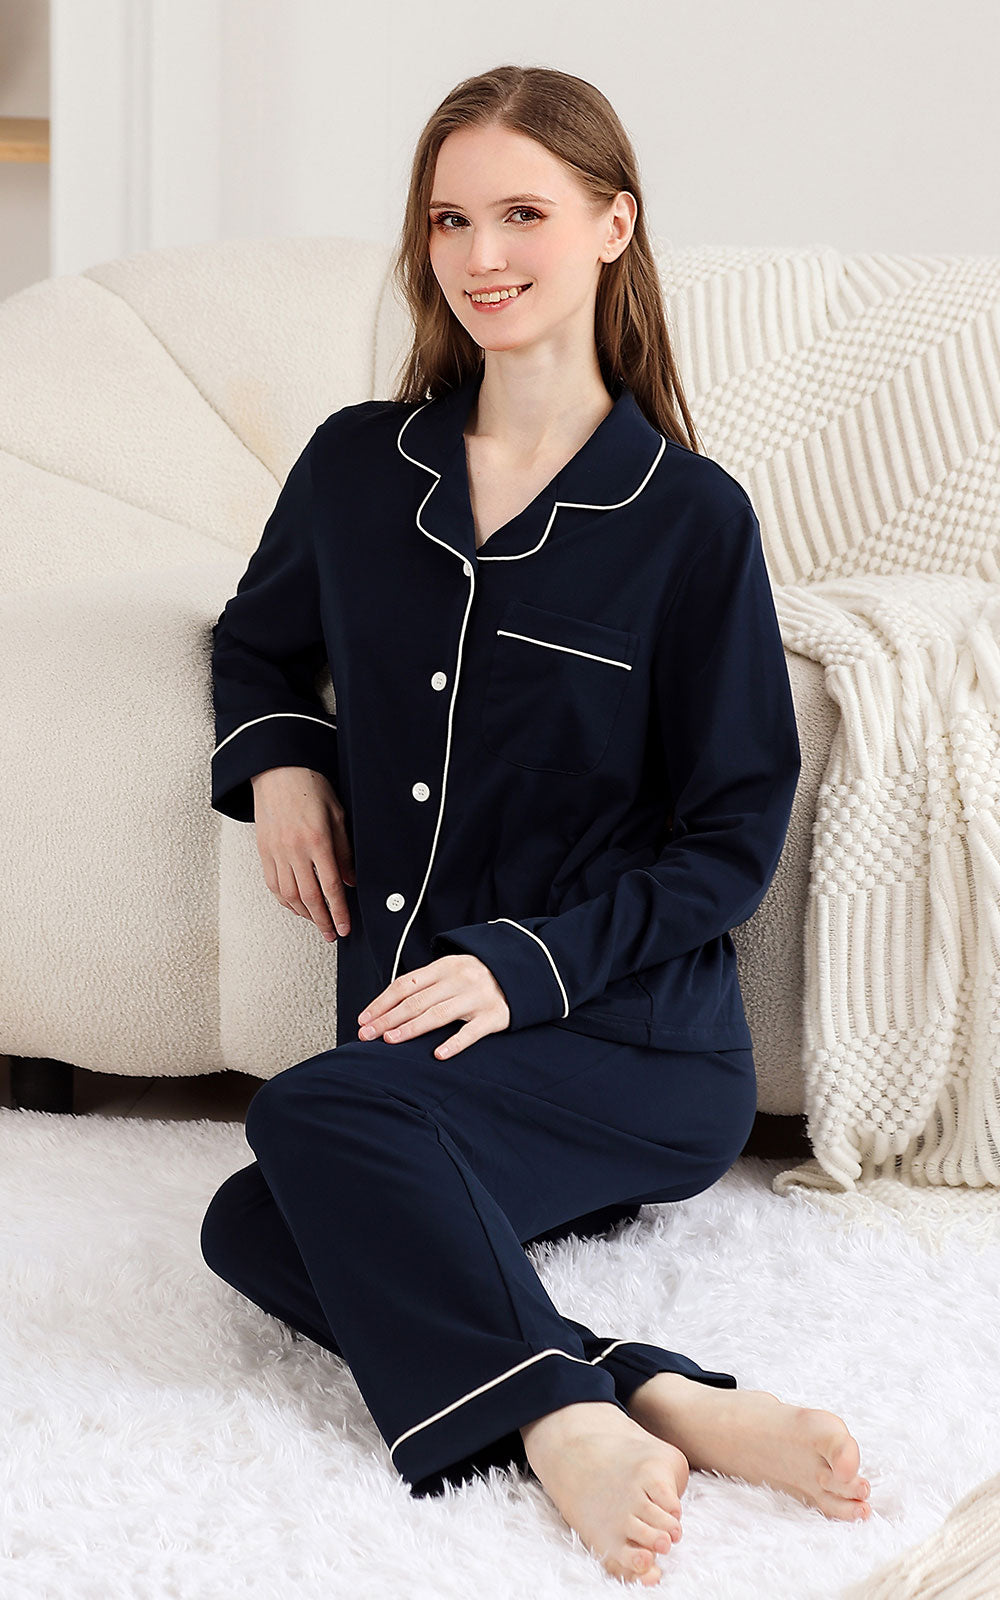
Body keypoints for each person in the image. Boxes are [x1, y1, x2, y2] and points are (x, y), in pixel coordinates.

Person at [199, 64, 871, 1587]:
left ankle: (559, 1427)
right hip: (417, 1054)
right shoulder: (358, 468)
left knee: (307, 1123)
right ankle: (639, 1390)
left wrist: (523, 966)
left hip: (633, 1048)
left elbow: (732, 836)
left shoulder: (689, 518)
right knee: (252, 1223)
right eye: (451, 220)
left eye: (523, 214)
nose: (481, 255)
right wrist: (283, 763)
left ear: (614, 226)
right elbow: (254, 643)